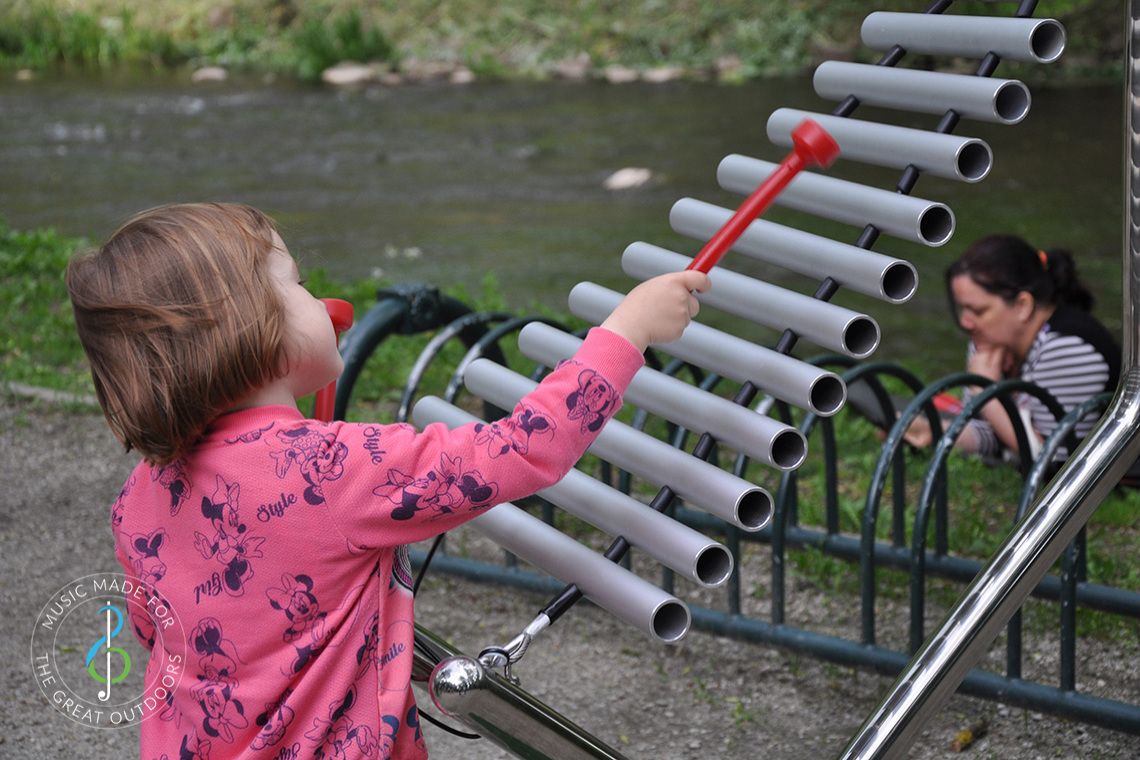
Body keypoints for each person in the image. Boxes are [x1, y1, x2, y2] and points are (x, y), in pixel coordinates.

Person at [66, 202, 710, 759]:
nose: (322, 302)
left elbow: (163, 639)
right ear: (248, 327)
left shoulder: (137, 500)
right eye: (298, 284)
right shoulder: (328, 471)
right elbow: (523, 448)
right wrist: (629, 329)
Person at [904, 234, 1119, 462]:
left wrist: (987, 394)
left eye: (977, 311)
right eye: (962, 309)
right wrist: (935, 432)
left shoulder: (1067, 349)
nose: (966, 322)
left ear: (1022, 305)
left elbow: (1055, 462)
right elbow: (992, 433)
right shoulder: (990, 339)